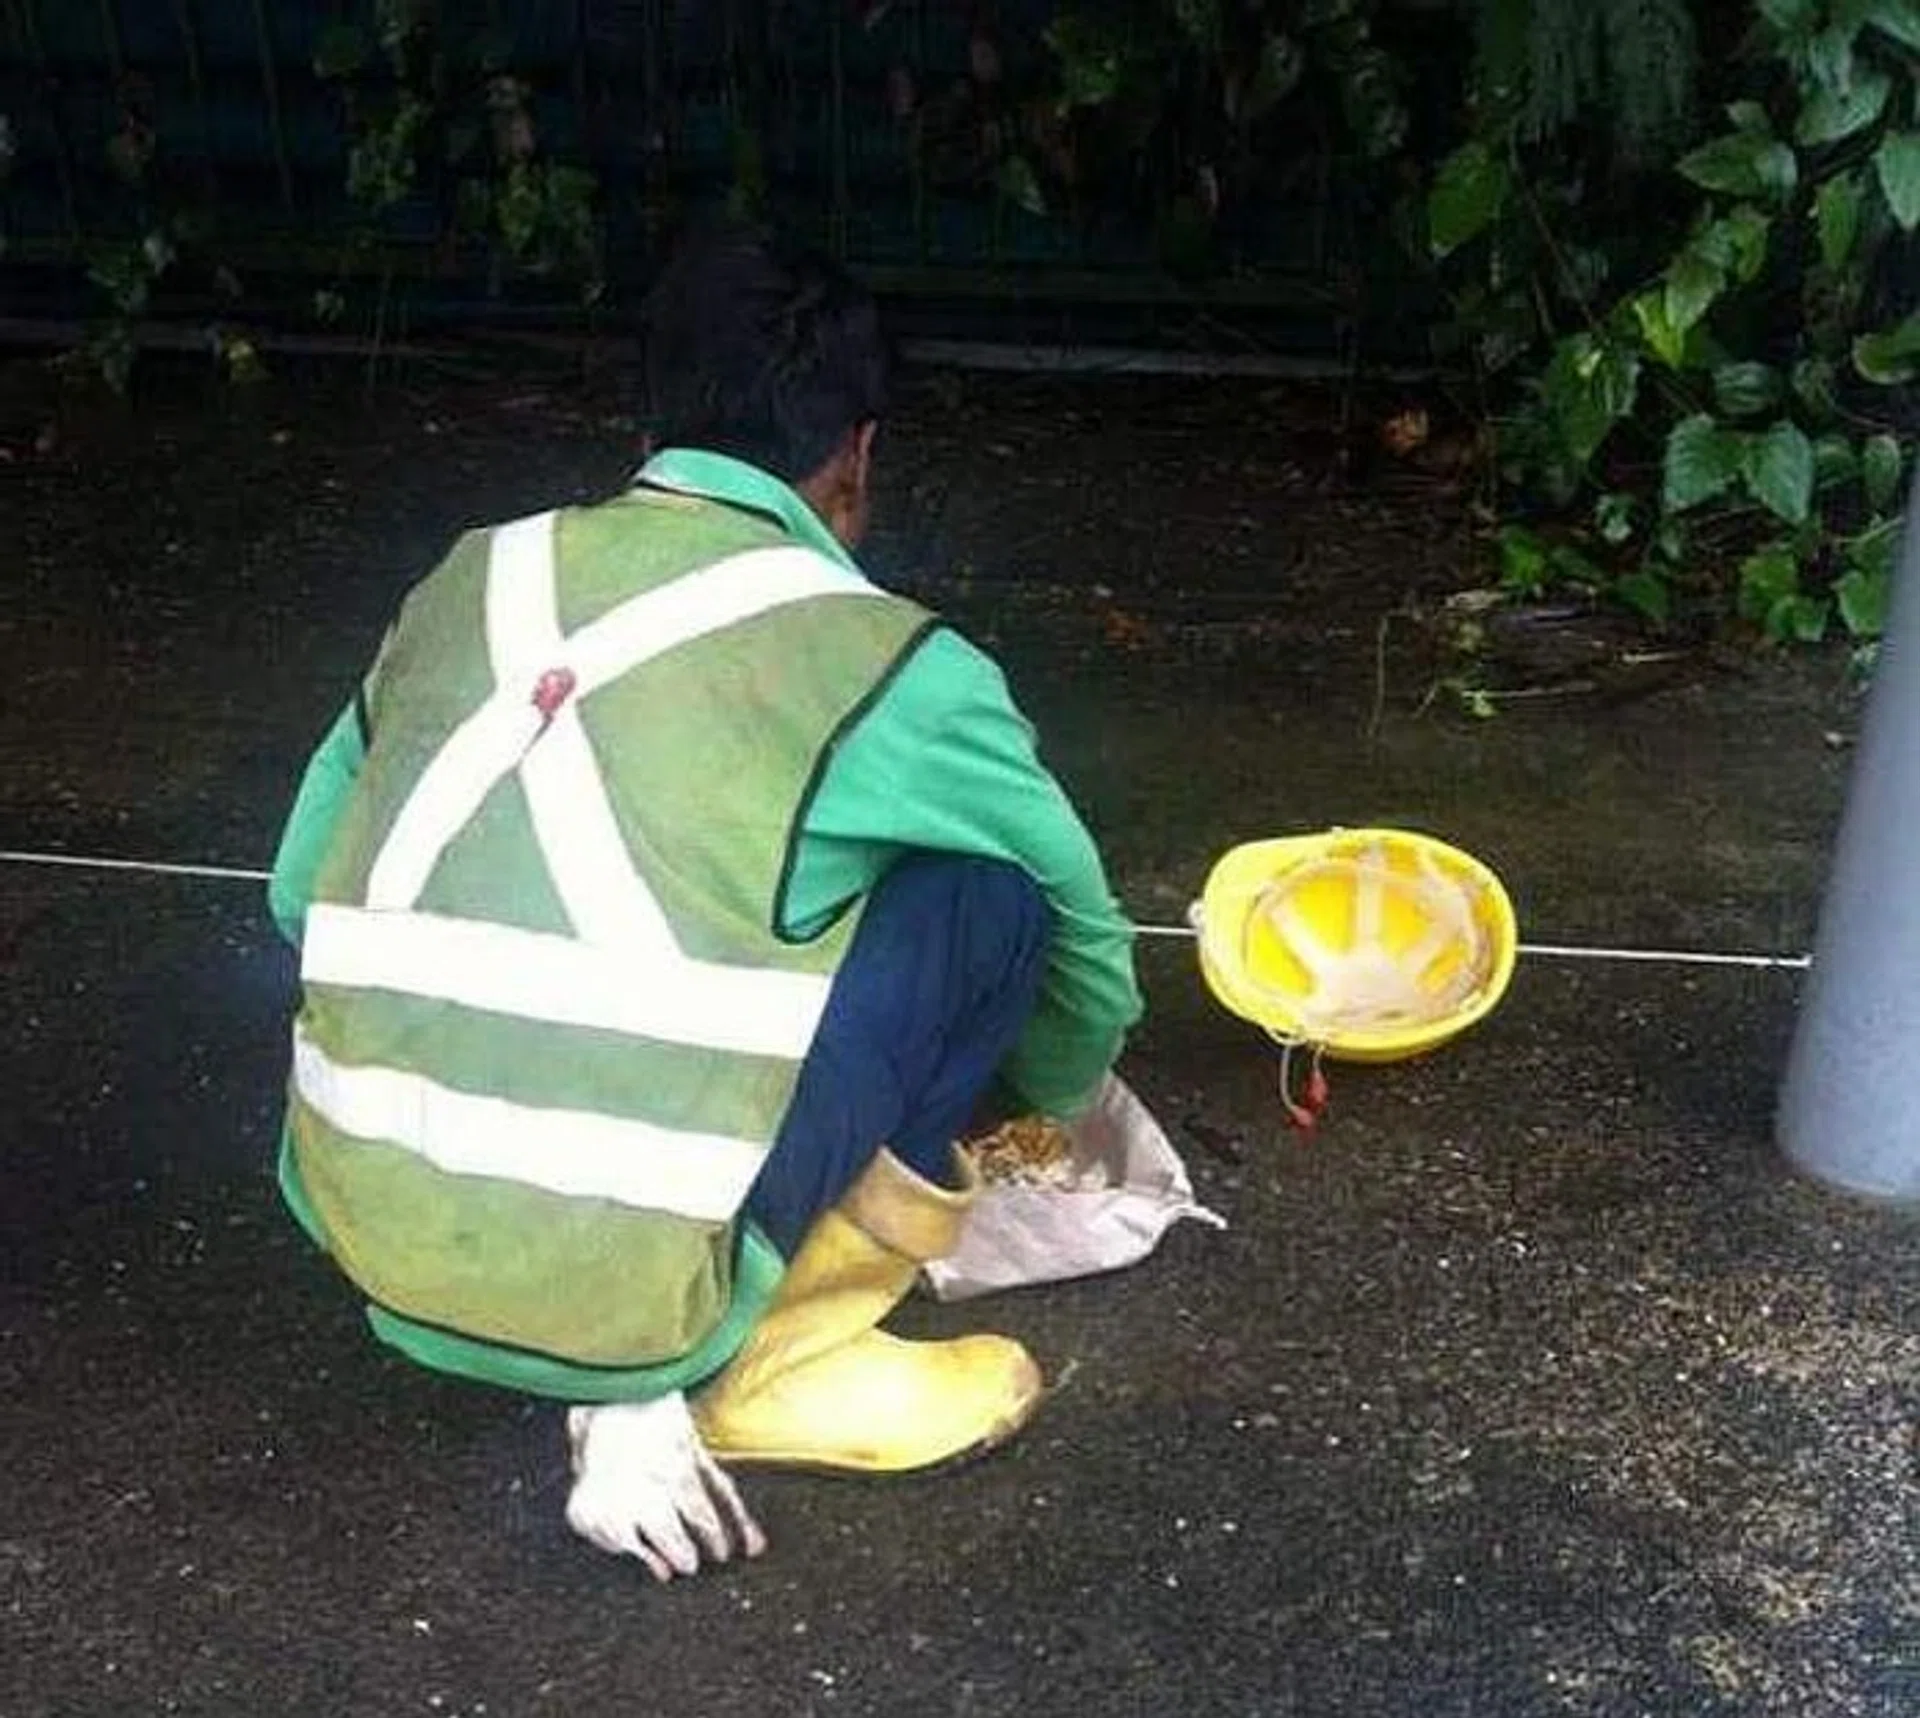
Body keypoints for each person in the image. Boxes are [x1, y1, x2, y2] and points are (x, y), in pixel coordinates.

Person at [265, 217, 1142, 1581]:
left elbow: (294, 885)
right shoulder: (889, 658)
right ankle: (763, 1352)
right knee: (989, 903)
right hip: (630, 1290)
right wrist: (1048, 1088)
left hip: (370, 1224)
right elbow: (1080, 932)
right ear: (858, 456)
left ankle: (599, 1287)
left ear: (652, 414)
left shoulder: (470, 574)